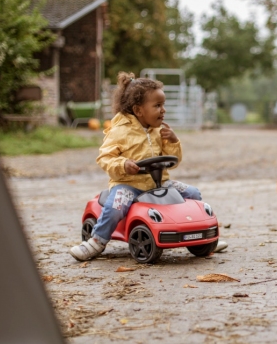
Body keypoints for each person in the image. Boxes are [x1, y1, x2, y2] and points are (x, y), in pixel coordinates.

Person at [69, 71, 227, 261]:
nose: (163, 110)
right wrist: (123, 164)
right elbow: (104, 158)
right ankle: (96, 241)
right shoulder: (119, 131)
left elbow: (174, 160)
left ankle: (201, 239)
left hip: (159, 184)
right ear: (138, 110)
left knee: (193, 193)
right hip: (130, 185)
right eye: (157, 106)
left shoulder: (159, 130)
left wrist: (174, 142)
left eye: (163, 105)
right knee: (116, 207)